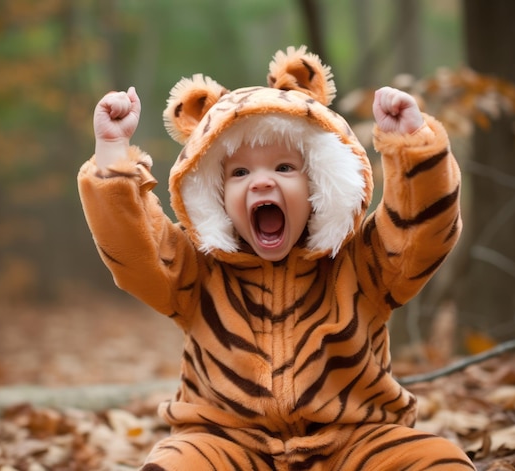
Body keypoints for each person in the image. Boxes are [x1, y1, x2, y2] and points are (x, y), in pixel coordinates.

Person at [78, 46, 475, 470]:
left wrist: (413, 148)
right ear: (214, 193)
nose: (262, 182)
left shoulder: (359, 261)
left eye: (285, 168)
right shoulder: (197, 268)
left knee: (437, 459)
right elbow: (135, 251)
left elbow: (420, 233)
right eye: (240, 173)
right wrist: (112, 154)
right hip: (228, 444)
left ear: (319, 181)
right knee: (178, 462)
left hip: (354, 440)